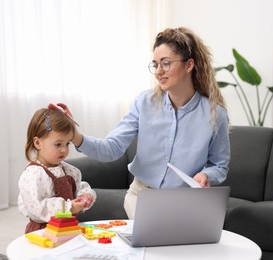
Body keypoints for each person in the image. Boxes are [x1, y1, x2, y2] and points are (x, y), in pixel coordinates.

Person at [52, 27, 230, 219]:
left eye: (166, 64)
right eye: (155, 65)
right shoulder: (144, 103)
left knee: (180, 246)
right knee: (157, 240)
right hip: (141, 196)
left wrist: (206, 176)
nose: (159, 72)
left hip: (185, 201)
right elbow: (111, 148)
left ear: (189, 65)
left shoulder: (214, 115)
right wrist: (75, 135)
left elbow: (219, 165)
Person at [18, 106, 96, 234]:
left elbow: (78, 188)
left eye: (67, 144)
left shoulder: (69, 170)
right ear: (38, 143)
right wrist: (68, 207)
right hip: (43, 232)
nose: (64, 150)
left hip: (69, 229)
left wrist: (85, 195)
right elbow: (36, 207)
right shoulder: (33, 174)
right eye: (58, 144)